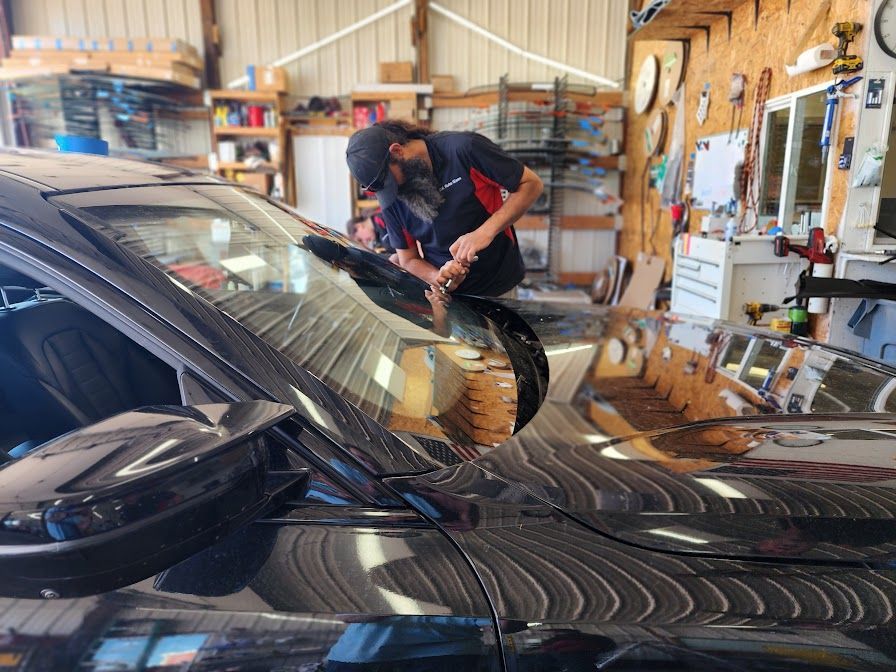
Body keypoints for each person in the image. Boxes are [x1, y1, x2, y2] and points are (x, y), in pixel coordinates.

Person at [345, 120, 543, 298]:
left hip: (500, 284)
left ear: (397, 151)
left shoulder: (464, 149)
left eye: (392, 182)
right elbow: (408, 259)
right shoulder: (391, 197)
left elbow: (531, 184)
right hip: (453, 301)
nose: (395, 193)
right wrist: (438, 277)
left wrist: (485, 232)